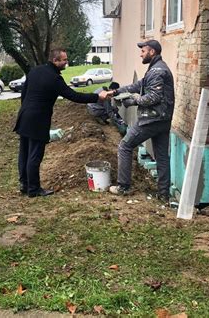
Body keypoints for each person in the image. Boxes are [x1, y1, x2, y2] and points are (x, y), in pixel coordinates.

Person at [14, 48, 111, 197]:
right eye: (64, 60)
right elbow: (73, 96)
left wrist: (25, 109)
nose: (67, 62)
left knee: (24, 152)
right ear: (55, 61)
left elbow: (24, 93)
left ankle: (24, 185)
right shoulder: (54, 78)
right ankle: (33, 189)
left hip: (24, 115)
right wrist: (97, 97)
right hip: (38, 119)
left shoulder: (35, 71)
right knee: (35, 155)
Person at [108, 40, 175, 202]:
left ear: (152, 52)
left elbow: (154, 97)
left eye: (143, 51)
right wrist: (115, 91)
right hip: (163, 119)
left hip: (152, 119)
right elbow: (138, 85)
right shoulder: (155, 69)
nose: (141, 54)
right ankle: (163, 194)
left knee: (125, 146)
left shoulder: (157, 71)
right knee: (162, 157)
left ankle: (123, 186)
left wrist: (134, 101)